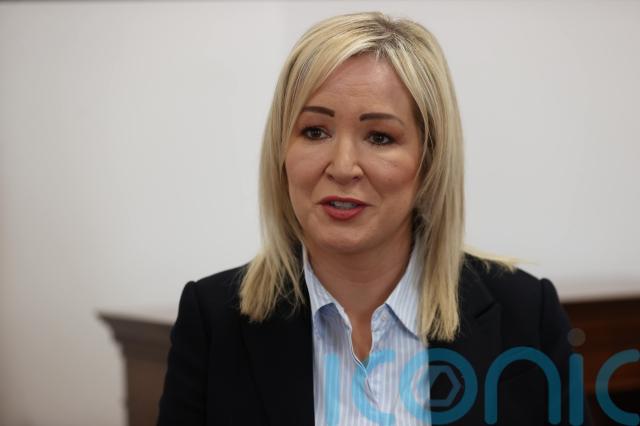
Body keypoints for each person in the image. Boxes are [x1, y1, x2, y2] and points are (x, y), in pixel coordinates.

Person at [157, 11, 591, 426]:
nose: (343, 166)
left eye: (380, 137)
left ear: (429, 161)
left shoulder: (525, 314)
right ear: (281, 151)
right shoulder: (212, 319)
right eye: (315, 131)